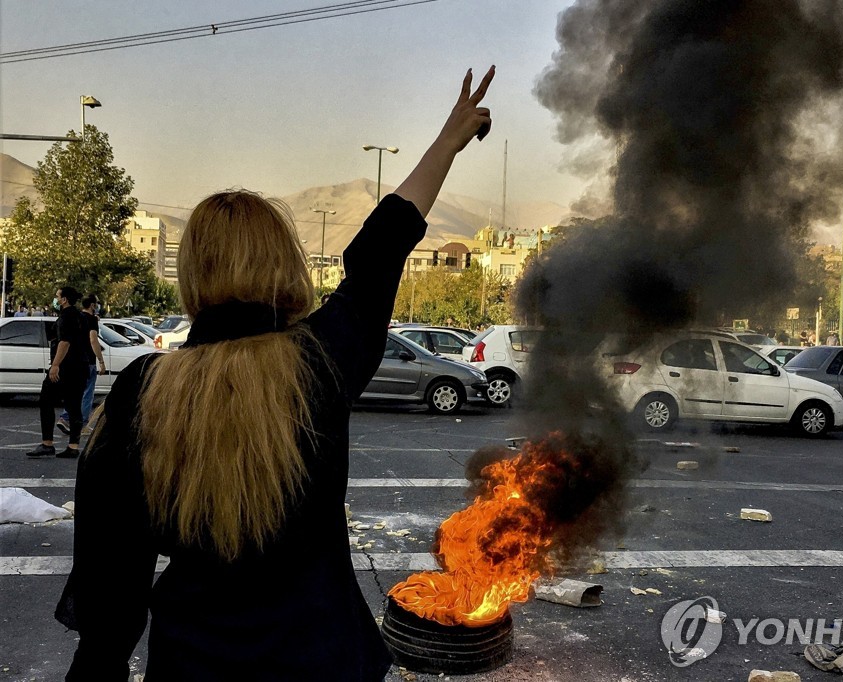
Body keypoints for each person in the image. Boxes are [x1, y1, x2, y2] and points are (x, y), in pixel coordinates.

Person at [55, 66, 495, 682]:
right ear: (284, 263)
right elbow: (381, 250)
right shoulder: (320, 361)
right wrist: (447, 142)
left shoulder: (142, 392)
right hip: (326, 663)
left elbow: (110, 599)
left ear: (192, 274)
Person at [26, 286, 90, 458]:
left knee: (46, 400)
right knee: (74, 405)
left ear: (64, 300)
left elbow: (65, 343)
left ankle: (47, 443)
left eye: (57, 296)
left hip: (66, 368)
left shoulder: (66, 317)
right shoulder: (81, 317)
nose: (55, 299)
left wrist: (55, 365)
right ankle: (73, 446)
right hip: (80, 367)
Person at [57, 294, 106, 435]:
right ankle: (82, 424)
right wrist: (101, 360)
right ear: (92, 305)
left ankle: (65, 417)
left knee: (75, 391)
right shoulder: (91, 319)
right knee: (87, 393)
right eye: (96, 303)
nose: (97, 305)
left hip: (74, 359)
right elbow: (93, 339)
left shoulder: (77, 317)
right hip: (88, 361)